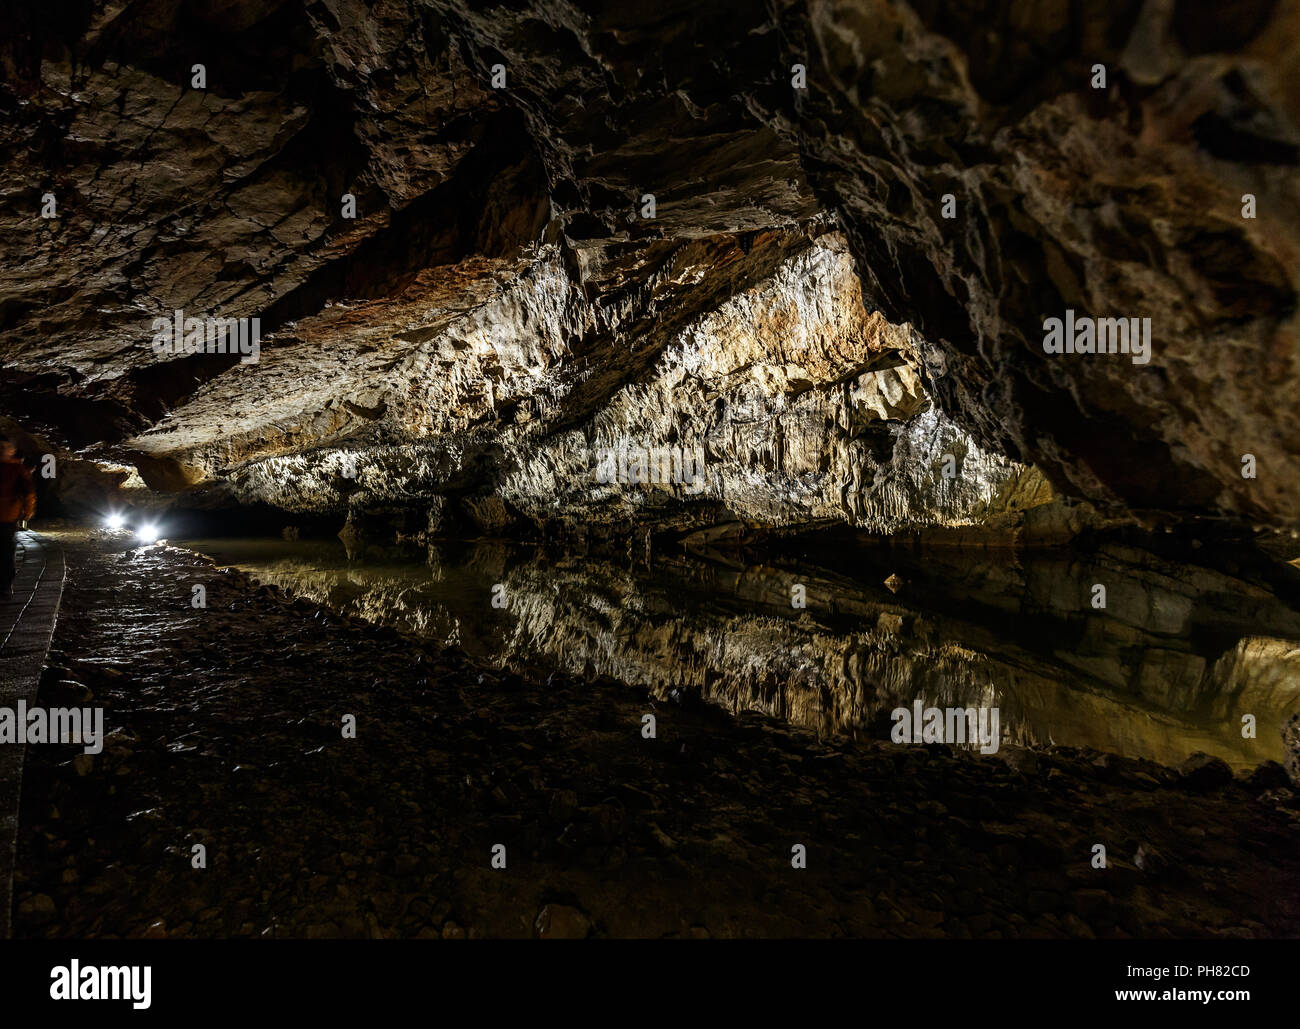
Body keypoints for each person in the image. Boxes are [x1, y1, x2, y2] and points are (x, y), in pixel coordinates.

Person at [0, 435, 36, 596]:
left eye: (4, 447)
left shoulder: (17, 469)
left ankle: (6, 585)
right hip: (8, 515)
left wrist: (27, 512)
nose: (1, 450)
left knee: (6, 552)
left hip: (8, 517)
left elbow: (28, 492)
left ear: (11, 450)